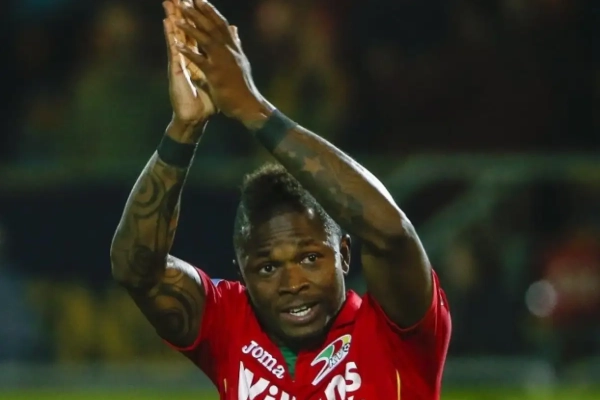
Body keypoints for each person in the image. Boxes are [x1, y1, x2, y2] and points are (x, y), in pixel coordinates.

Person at [110, 1, 451, 398]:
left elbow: (391, 233)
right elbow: (136, 270)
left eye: (310, 258)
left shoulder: (398, 328)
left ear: (343, 254)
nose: (293, 283)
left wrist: (253, 109)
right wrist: (183, 129)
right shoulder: (227, 324)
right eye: (268, 267)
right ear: (242, 273)